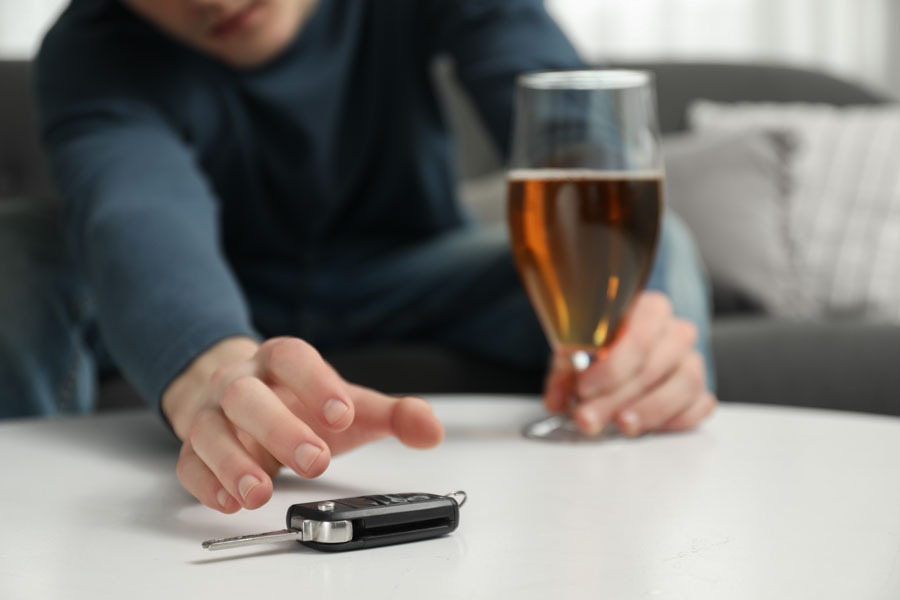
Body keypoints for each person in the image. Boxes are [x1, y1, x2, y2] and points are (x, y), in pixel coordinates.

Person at [4, 0, 716, 512]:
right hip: (212, 291)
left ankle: (646, 461)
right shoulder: (89, 47)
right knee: (17, 249)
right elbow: (135, 210)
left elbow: (576, 137)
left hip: (415, 277)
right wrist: (212, 372)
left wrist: (637, 317)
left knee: (663, 258)